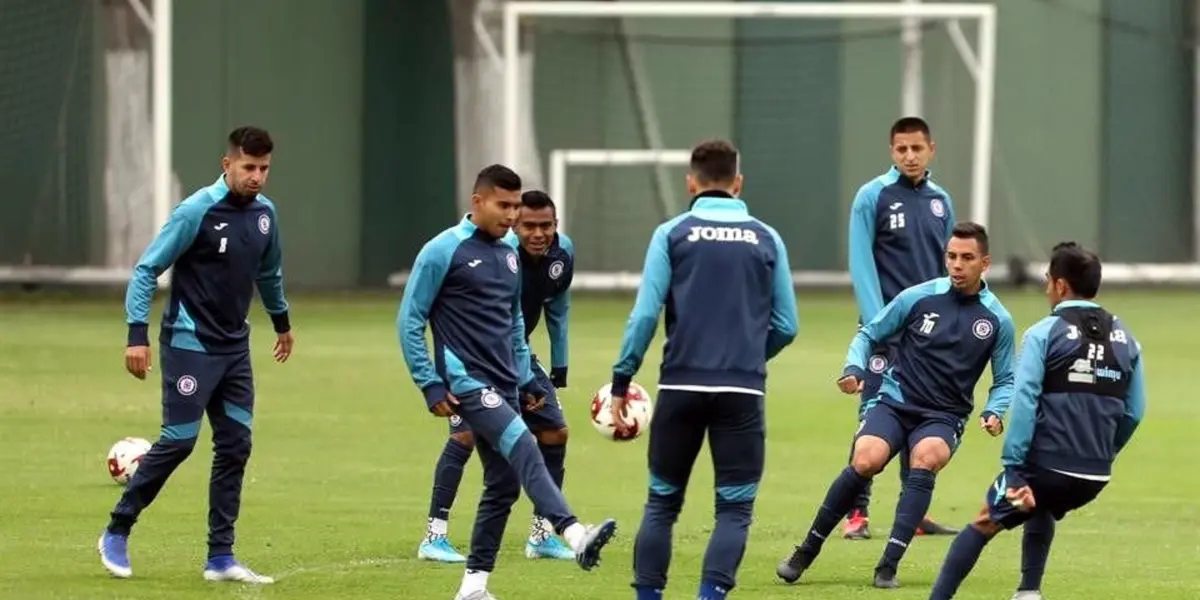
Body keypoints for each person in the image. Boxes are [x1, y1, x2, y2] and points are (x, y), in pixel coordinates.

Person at [398, 164, 615, 600]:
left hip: (506, 385)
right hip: (466, 382)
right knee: (525, 445)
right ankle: (574, 533)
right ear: (477, 202)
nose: (512, 215)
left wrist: (526, 380)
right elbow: (410, 319)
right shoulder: (443, 250)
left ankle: (473, 588)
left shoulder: (508, 254)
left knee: (502, 487)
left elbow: (514, 323)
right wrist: (429, 382)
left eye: (516, 206)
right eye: (504, 205)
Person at [98, 126, 294, 584]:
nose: (257, 177)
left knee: (236, 445)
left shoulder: (265, 214)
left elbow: (269, 273)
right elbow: (147, 269)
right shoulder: (196, 211)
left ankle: (220, 557)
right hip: (190, 343)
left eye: (264, 168)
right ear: (228, 164)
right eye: (248, 167)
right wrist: (136, 335)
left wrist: (282, 323)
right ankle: (117, 529)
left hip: (235, 348)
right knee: (180, 441)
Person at [777, 222, 1015, 590]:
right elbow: (869, 333)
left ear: (985, 263)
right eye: (951, 256)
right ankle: (805, 551)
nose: (957, 265)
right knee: (865, 459)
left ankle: (888, 565)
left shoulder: (998, 320)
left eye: (967, 258)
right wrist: (853, 368)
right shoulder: (918, 297)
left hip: (944, 415)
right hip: (895, 401)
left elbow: (1006, 379)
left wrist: (994, 411)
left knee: (927, 458)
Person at [609, 139, 799, 600]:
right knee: (733, 510)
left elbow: (644, 316)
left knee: (661, 504)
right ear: (738, 183)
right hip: (742, 393)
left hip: (680, 385)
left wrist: (622, 379)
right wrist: (749, 358)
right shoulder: (767, 238)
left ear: (690, 183)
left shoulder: (671, 234)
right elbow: (787, 325)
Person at [927, 242, 1147, 600]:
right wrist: (1104, 452)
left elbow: (1025, 400)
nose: (1046, 288)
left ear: (1060, 285)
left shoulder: (1044, 332)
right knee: (1039, 503)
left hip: (1047, 468)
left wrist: (1014, 469)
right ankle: (1029, 591)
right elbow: (1134, 412)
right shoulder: (1127, 338)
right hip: (1094, 475)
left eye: (1047, 280)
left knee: (984, 521)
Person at [417, 190, 577, 563]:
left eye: (546, 226)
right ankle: (434, 536)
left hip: (517, 358)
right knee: (465, 435)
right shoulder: (493, 251)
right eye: (528, 226)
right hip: (473, 363)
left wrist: (559, 366)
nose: (538, 234)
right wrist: (433, 377)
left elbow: (557, 307)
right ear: (514, 225)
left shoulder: (562, 253)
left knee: (554, 432)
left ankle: (541, 536)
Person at [845, 116, 958, 540]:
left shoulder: (941, 202)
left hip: (927, 335)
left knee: (922, 416)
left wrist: (948, 322)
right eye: (901, 149)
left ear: (931, 150)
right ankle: (856, 514)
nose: (910, 156)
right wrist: (880, 326)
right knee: (873, 417)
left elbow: (948, 269)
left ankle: (913, 515)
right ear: (892, 151)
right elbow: (861, 264)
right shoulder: (872, 196)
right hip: (884, 333)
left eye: (917, 148)